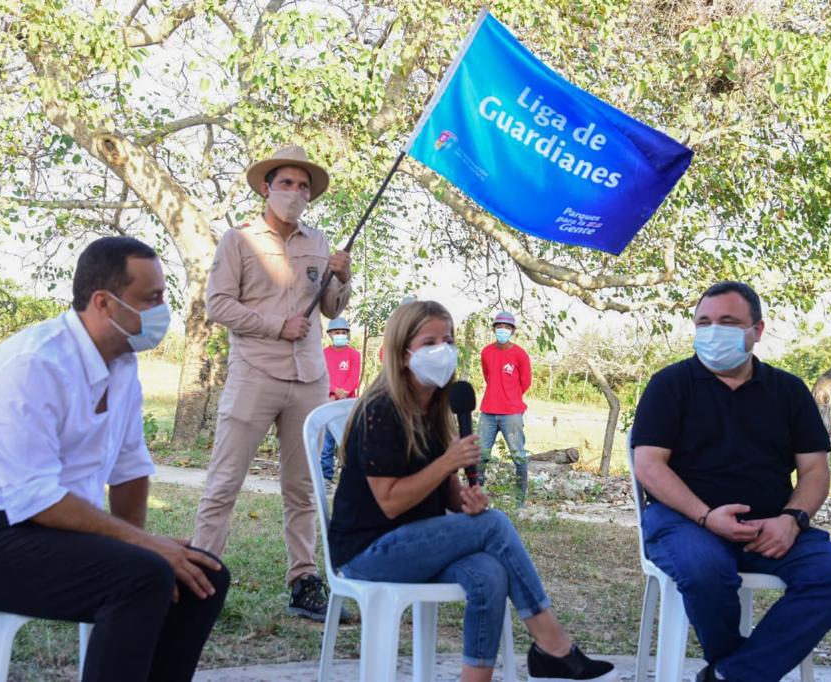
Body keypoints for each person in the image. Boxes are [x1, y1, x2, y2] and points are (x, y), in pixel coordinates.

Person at [0, 237, 230, 682]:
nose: (164, 312)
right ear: (104, 302)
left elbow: (129, 470)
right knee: (142, 577)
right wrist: (144, 549)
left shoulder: (122, 366)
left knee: (203, 579)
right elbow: (39, 498)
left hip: (45, 532)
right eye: (152, 299)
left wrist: (144, 546)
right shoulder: (35, 365)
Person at [327, 301, 616, 682]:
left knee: (490, 572)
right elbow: (391, 503)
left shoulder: (435, 407)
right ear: (402, 353)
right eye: (429, 341)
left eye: (447, 339)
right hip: (368, 551)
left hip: (417, 543)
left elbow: (444, 495)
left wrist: (464, 501)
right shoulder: (381, 410)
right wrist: (448, 462)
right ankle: (554, 645)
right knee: (495, 526)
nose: (442, 349)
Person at [631, 281, 831, 682]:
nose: (712, 331)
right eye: (703, 322)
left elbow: (815, 471)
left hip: (771, 526)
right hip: (685, 522)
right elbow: (649, 465)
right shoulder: (670, 384)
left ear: (757, 330)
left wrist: (792, 520)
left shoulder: (788, 391)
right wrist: (706, 517)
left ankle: (730, 675)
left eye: (727, 321)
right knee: (705, 569)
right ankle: (739, 673)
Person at [193, 144, 351, 621]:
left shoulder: (318, 242)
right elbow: (217, 304)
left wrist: (342, 278)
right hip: (255, 373)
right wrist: (273, 325)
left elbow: (331, 310)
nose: (295, 192)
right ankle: (198, 577)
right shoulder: (238, 240)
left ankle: (304, 582)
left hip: (309, 378)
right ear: (266, 187)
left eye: (303, 186)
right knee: (224, 482)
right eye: (286, 183)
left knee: (303, 488)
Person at [478, 311, 532, 504]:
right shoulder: (486, 352)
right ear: (494, 329)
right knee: (480, 455)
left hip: (512, 413)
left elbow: (525, 382)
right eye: (499, 327)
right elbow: (487, 376)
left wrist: (511, 397)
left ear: (512, 331)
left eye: (506, 327)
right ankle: (476, 495)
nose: (502, 330)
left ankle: (519, 500)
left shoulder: (520, 354)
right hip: (488, 412)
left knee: (518, 455)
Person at [320, 316, 361, 488]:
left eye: (344, 332)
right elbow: (321, 376)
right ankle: (326, 477)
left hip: (348, 404)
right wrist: (334, 390)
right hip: (328, 401)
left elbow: (354, 378)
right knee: (327, 442)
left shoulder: (354, 354)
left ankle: (348, 479)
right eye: (337, 332)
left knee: (347, 442)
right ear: (330, 334)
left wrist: (342, 393)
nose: (341, 335)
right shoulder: (322, 354)